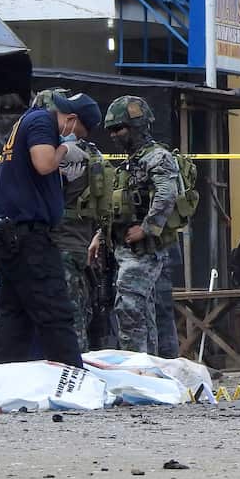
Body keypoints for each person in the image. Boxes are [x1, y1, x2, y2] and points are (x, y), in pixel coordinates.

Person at [0, 91, 101, 367]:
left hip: (10, 234)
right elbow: (42, 163)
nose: (76, 138)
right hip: (28, 237)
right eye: (79, 133)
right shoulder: (42, 122)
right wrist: (64, 150)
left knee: (16, 315)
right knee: (55, 309)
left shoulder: (26, 122)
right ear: (71, 120)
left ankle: (6, 376)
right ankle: (72, 375)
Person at [89, 96, 182, 356]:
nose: (115, 135)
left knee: (130, 308)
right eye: (111, 130)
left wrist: (148, 227)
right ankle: (146, 364)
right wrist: (100, 236)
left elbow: (167, 193)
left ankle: (137, 368)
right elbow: (118, 207)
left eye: (120, 128)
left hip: (144, 249)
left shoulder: (157, 157)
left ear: (139, 126)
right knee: (139, 309)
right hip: (123, 248)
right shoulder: (131, 163)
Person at [32, 88, 114, 353]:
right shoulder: (94, 154)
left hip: (62, 243)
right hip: (79, 242)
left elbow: (41, 178)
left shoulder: (66, 154)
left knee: (67, 311)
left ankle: (73, 365)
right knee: (80, 307)